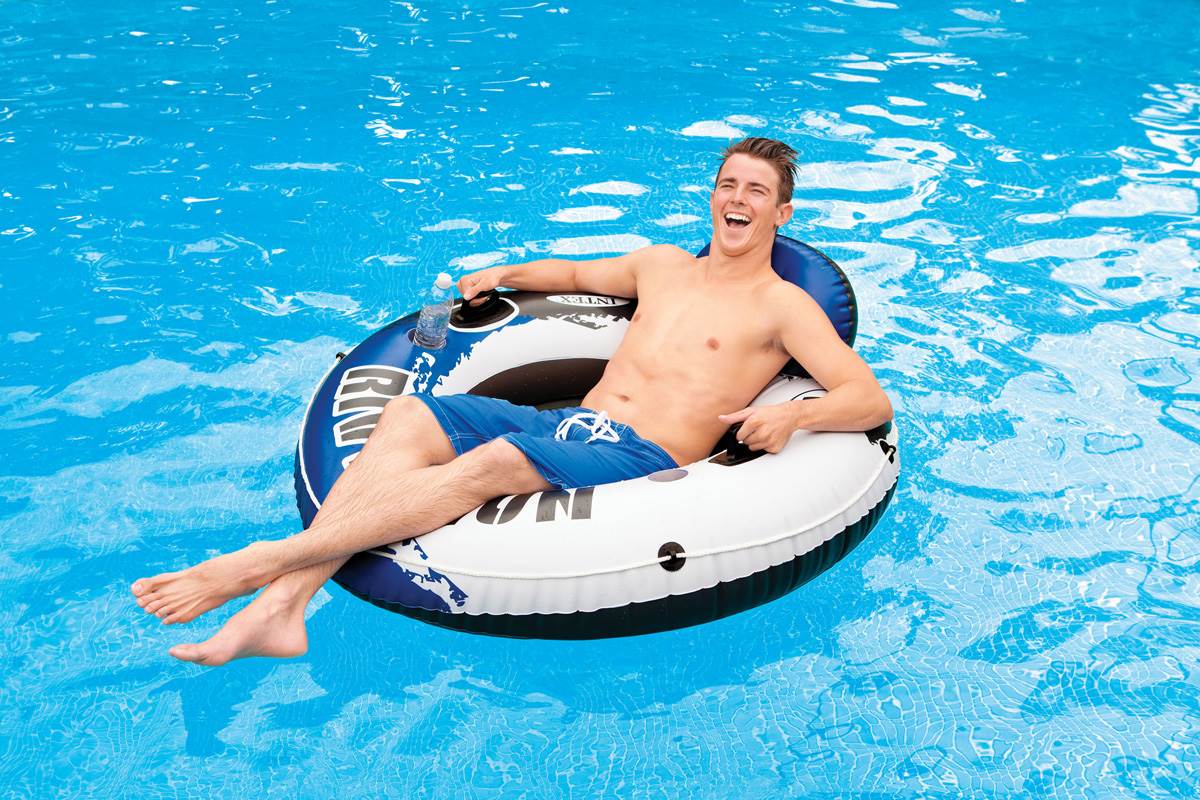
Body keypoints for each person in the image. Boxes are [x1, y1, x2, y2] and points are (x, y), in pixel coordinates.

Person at [131, 137, 893, 666]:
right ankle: (283, 609)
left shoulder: (783, 306)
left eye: (757, 190)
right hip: (570, 423)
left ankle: (260, 566)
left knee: (496, 459)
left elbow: (868, 398)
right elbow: (572, 274)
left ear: (781, 213)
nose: (738, 198)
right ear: (713, 195)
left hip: (644, 453)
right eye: (728, 184)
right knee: (407, 415)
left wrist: (794, 414)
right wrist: (504, 273)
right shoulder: (663, 265)